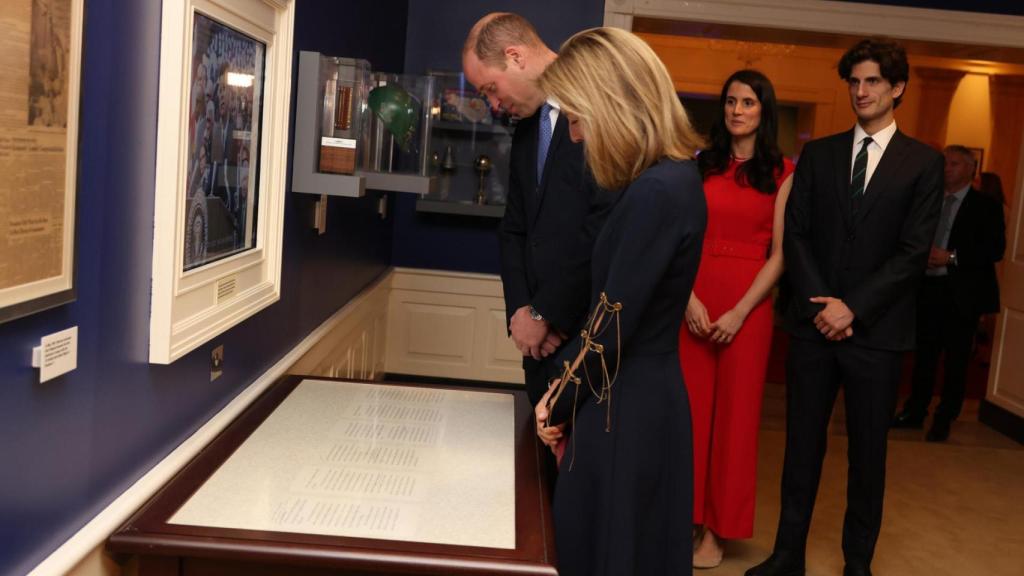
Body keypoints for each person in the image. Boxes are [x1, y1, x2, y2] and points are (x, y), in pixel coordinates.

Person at [747, 39, 943, 576]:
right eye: (854, 81)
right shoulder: (822, 153)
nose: (861, 91)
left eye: (873, 81)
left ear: (897, 88)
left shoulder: (923, 164)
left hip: (876, 335)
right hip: (813, 329)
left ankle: (858, 563)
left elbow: (912, 254)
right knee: (801, 450)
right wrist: (821, 308)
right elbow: (798, 237)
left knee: (867, 457)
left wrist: (851, 308)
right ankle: (787, 556)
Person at [532, 27, 706, 575]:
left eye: (578, 118)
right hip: (635, 399)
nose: (576, 137)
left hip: (623, 411)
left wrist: (555, 404)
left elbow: (609, 326)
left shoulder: (657, 191)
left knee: (604, 554)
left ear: (612, 105)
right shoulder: (670, 181)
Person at [463, 13, 609, 407]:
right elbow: (515, 228)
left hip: (586, 338)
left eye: (491, 88)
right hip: (536, 348)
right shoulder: (527, 125)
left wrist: (548, 316)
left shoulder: (600, 107)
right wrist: (522, 317)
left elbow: (600, 225)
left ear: (516, 56)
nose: (494, 104)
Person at [679, 69, 794, 568]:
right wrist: (688, 299)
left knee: (736, 421)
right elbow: (677, 238)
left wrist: (741, 312)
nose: (737, 110)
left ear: (763, 111)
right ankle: (681, 515)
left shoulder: (785, 172)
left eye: (748, 102)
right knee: (688, 413)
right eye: (730, 101)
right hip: (693, 299)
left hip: (749, 305)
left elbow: (782, 253)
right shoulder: (699, 164)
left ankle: (717, 530)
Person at [892, 146, 1006, 441]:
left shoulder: (985, 206)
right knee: (924, 355)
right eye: (944, 163)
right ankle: (915, 410)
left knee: (956, 359)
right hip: (926, 288)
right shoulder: (926, 201)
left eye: (954, 164)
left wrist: (952, 257)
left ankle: (945, 416)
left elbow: (995, 249)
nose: (947, 169)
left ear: (971, 169)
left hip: (962, 292)